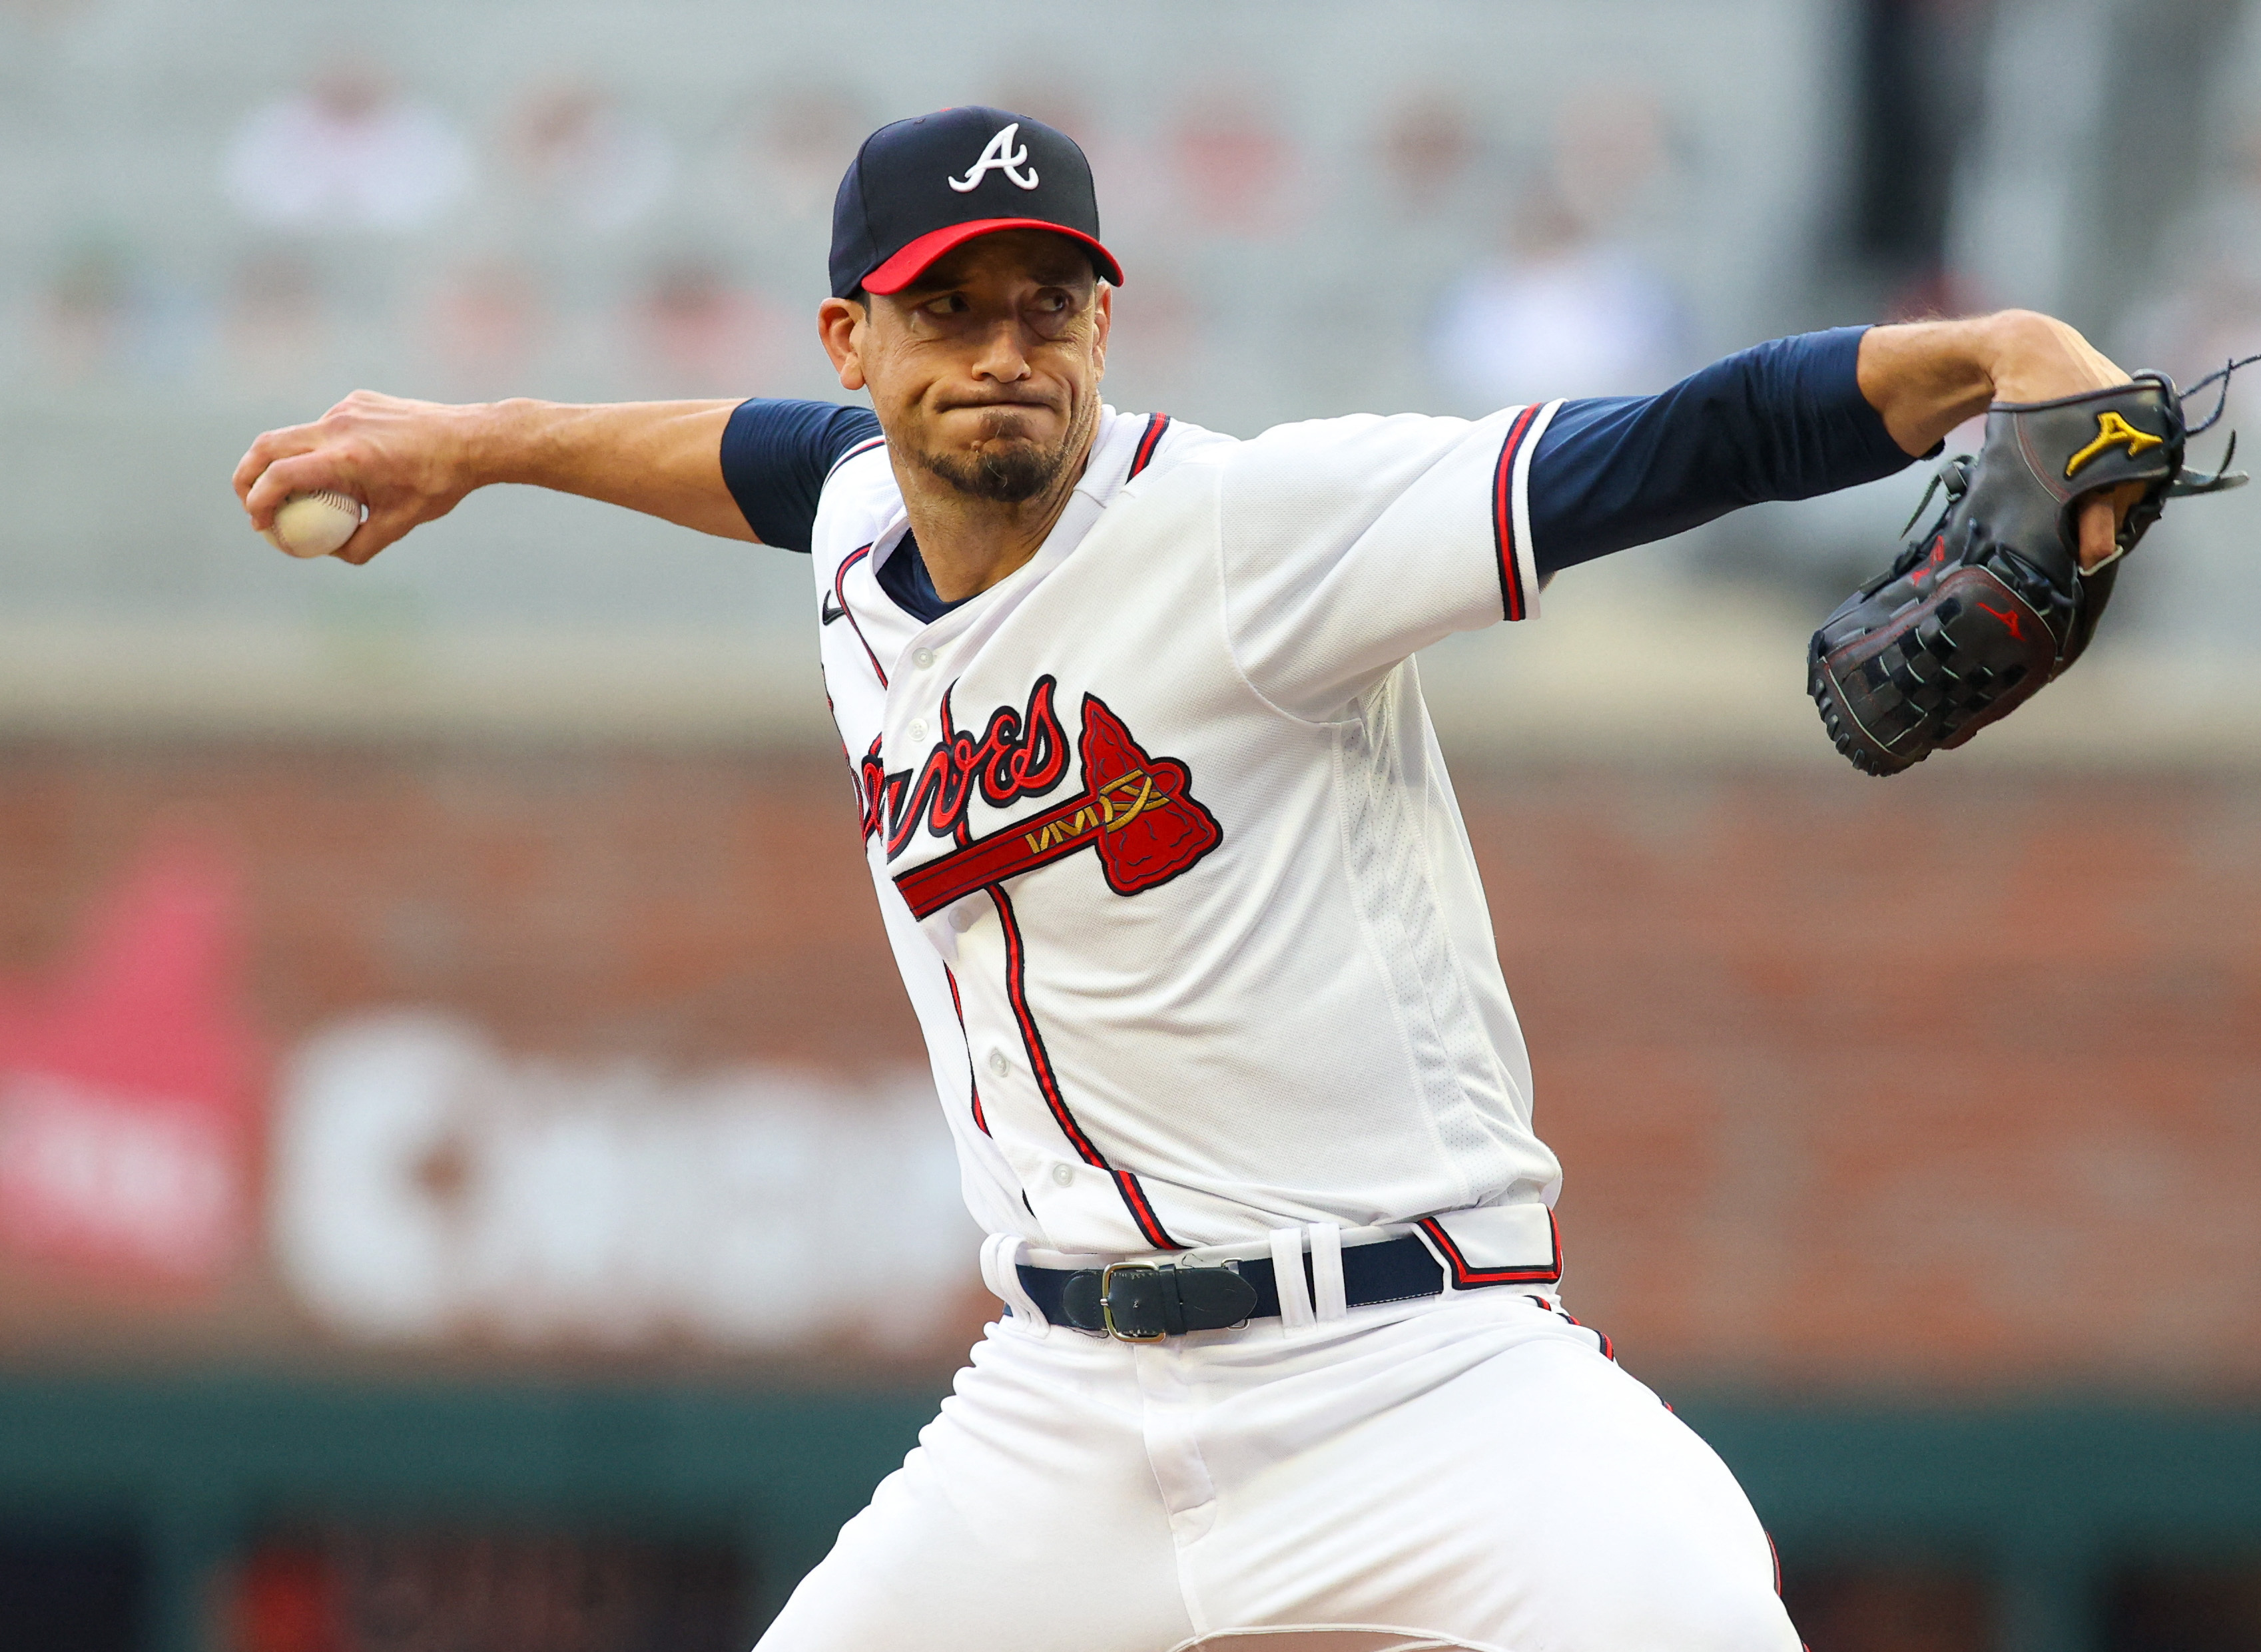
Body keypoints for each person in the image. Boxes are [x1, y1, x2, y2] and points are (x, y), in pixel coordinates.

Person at [234, 106, 2144, 1652]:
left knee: (1710, 1616)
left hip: (1413, 1363)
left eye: (1045, 307)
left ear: (1100, 328)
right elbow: (757, 459)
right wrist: (483, 441)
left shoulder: (1250, 530)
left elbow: (1663, 447)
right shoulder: (855, 519)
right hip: (1061, 1405)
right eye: (950, 306)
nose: (1002, 352)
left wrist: (1985, 356)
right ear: (857, 341)